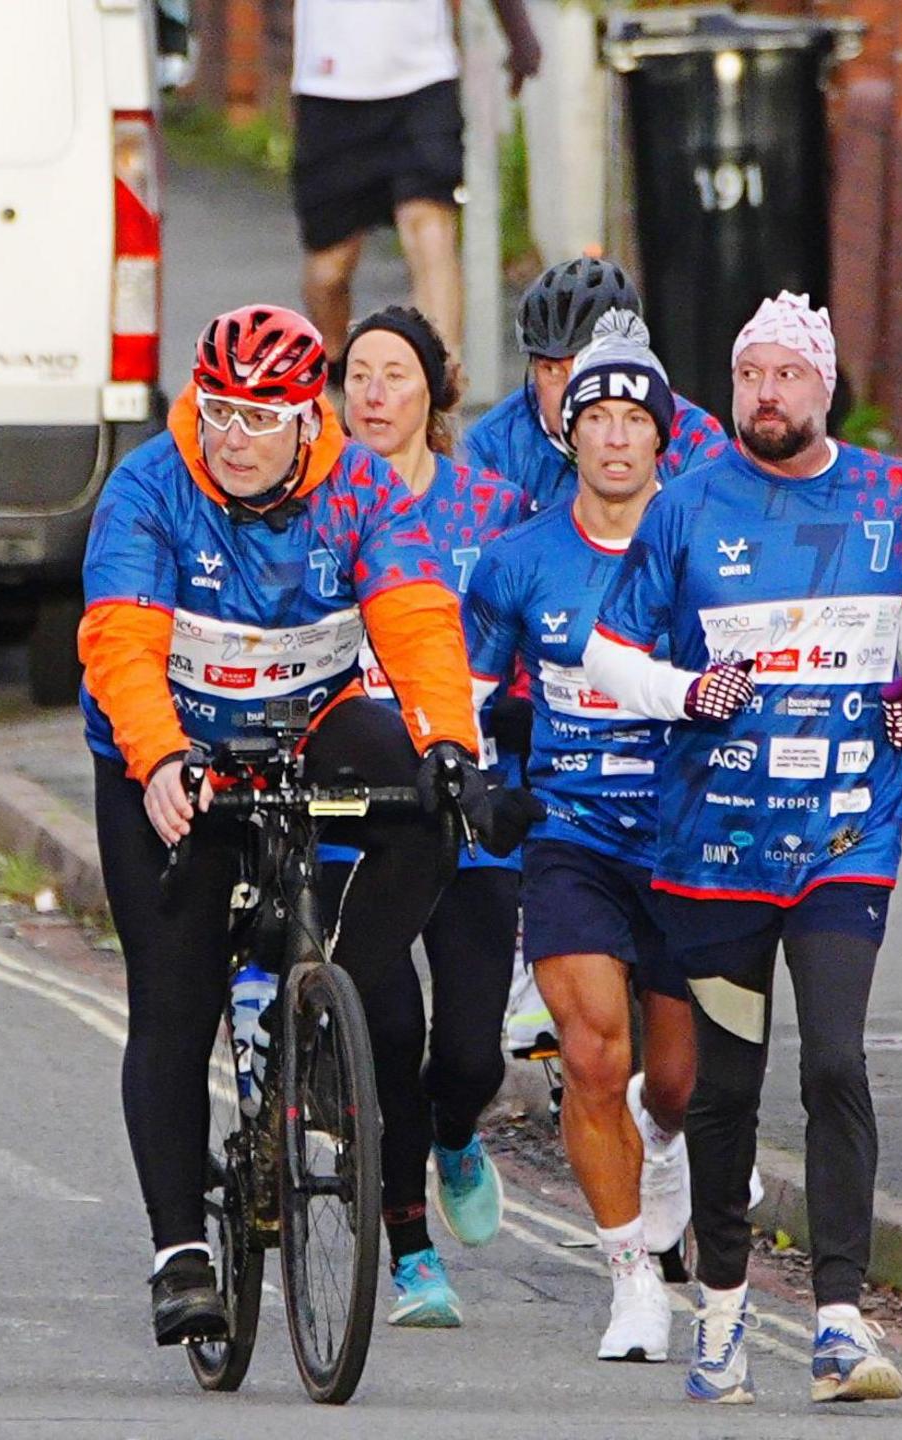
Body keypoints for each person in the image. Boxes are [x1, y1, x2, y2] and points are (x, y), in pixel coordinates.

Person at [79, 303, 529, 1344]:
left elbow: (417, 618)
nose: (232, 439)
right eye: (218, 413)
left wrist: (451, 747)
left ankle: (311, 1002)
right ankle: (179, 1249)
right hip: (172, 746)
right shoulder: (151, 486)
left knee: (422, 802)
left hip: (308, 721)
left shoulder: (358, 486)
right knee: (175, 993)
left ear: (306, 420)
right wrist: (159, 761)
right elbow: (121, 645)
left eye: (258, 419)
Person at [585, 292, 902, 1405]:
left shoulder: (888, 494)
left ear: (823, 386)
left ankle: (840, 1322)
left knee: (834, 1061)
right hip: (716, 850)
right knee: (720, 1088)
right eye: (749, 376)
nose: (766, 394)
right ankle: (726, 1313)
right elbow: (607, 657)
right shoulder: (687, 508)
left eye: (787, 374)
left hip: (846, 832)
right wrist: (686, 690)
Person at [464, 311, 695, 1363]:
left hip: (692, 840)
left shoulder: (704, 544)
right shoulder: (516, 561)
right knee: (592, 1051)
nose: (611, 435)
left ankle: (664, 1132)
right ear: (568, 434)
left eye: (630, 418)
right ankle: (630, 1276)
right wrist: (473, 780)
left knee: (680, 1081)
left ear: (660, 437)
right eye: (592, 415)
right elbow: (460, 694)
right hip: (571, 836)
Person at [336, 305, 534, 1268]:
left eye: (395, 376)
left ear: (434, 392)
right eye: (359, 376)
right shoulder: (317, 506)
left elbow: (537, 645)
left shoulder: (493, 512)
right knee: (386, 1033)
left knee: (467, 1052)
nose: (374, 394)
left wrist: (527, 755)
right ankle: (410, 1253)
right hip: (357, 819)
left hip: (469, 809)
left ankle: (459, 1134)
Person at [291, 0, 540, 355]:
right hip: (328, 90)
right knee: (329, 271)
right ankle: (334, 369)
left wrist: (520, 34)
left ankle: (439, 387)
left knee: (429, 231)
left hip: (423, 84)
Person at [462, 257, 730, 515]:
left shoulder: (693, 438)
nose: (571, 391)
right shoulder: (492, 447)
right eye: (552, 370)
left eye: (586, 369)